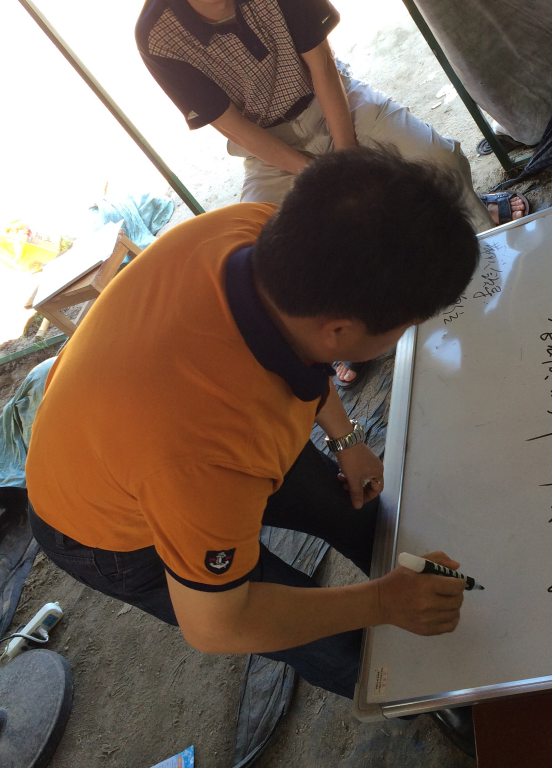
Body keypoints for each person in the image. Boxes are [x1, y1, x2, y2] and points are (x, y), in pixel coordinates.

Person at [26, 151, 476, 720]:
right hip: (105, 520)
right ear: (340, 330)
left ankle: (426, 612)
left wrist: (345, 438)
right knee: (324, 635)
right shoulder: (210, 455)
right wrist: (383, 603)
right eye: (405, 327)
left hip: (148, 429)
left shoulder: (254, 232)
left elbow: (298, 354)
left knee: (356, 511)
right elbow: (220, 623)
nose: (407, 333)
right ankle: (420, 696)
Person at [134, 0, 527, 384]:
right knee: (268, 259)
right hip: (267, 144)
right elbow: (229, 124)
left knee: (441, 162)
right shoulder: (157, 35)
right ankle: (343, 331)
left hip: (334, 101)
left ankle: (479, 237)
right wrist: (311, 172)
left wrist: (346, 159)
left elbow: (320, 62)